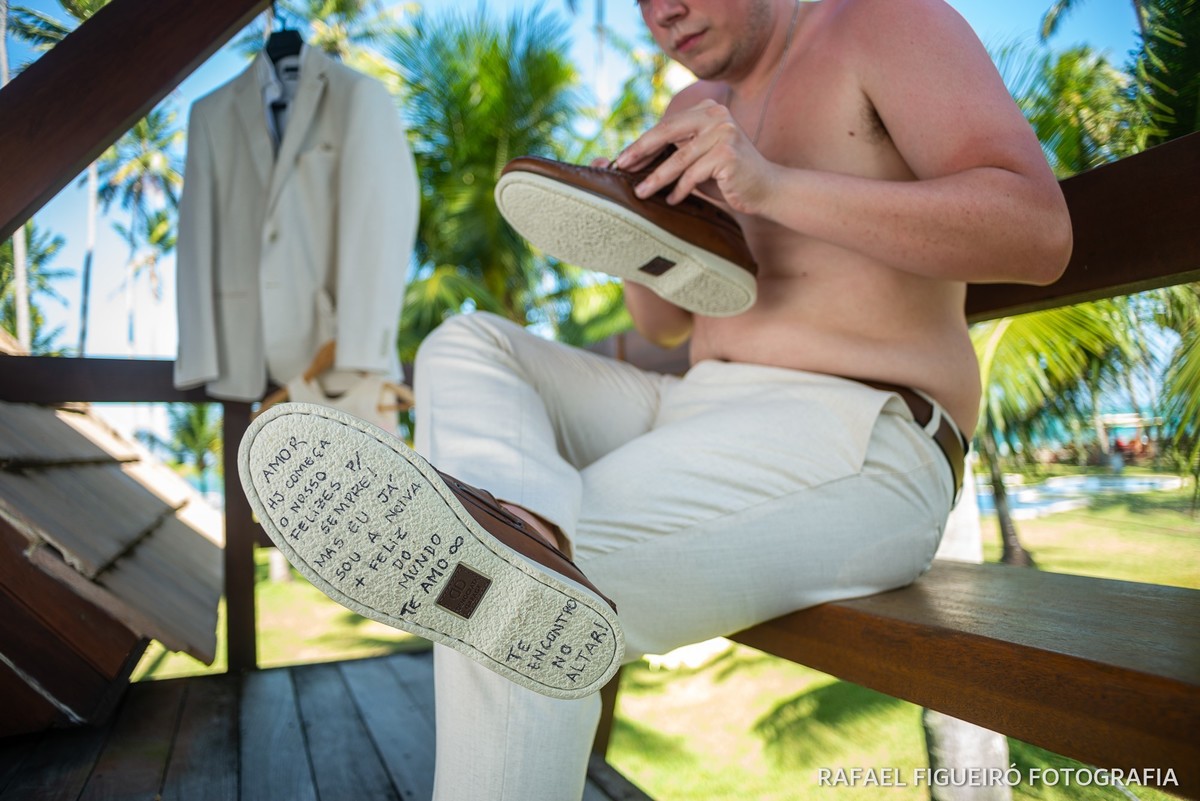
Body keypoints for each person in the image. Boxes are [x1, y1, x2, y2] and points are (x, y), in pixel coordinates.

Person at [243, 1, 1072, 798]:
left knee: (519, 607)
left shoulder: (882, 22)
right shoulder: (696, 105)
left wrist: (771, 186)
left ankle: (520, 546)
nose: (661, 12)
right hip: (696, 403)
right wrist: (639, 224)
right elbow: (670, 322)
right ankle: (521, 522)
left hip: (861, 434)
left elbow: (1037, 234)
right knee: (468, 343)